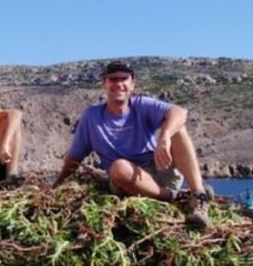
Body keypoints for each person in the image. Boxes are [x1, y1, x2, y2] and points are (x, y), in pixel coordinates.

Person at [55, 60, 212, 228]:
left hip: (160, 168)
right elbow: (75, 156)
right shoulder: (92, 117)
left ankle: (198, 196)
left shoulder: (141, 105)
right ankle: (175, 199)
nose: (119, 84)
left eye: (124, 79)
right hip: (129, 181)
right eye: (113, 79)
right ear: (104, 83)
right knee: (119, 167)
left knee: (178, 128)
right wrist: (58, 184)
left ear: (132, 84)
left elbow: (180, 112)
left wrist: (164, 136)